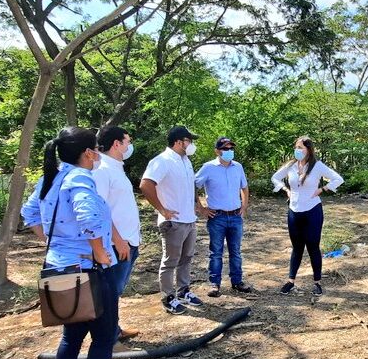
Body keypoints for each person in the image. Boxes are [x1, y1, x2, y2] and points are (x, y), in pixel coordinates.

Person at [21, 127, 129, 359]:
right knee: (104, 337)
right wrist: (99, 251)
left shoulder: (51, 178)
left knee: (71, 337)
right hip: (89, 269)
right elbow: (88, 217)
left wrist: (55, 242)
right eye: (96, 149)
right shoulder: (80, 178)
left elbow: (29, 213)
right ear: (88, 153)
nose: (98, 154)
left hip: (59, 267)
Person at [140, 126, 204, 315]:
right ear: (179, 142)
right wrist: (162, 209)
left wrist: (197, 205)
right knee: (170, 261)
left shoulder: (186, 161)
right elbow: (146, 184)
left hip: (189, 219)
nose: (192, 144)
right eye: (189, 140)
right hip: (173, 221)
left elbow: (191, 186)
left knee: (187, 258)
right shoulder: (162, 161)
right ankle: (168, 297)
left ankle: (184, 291)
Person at [271, 136, 344, 296]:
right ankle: (291, 281)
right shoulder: (290, 166)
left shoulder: (317, 166)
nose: (297, 150)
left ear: (308, 150)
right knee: (297, 247)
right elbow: (275, 177)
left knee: (313, 246)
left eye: (300, 148)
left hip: (312, 210)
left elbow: (338, 179)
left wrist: (323, 189)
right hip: (294, 210)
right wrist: (285, 189)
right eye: (296, 147)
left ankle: (317, 282)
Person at [92, 126, 141, 343]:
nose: (130, 146)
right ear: (116, 144)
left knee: (115, 292)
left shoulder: (116, 167)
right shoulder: (102, 169)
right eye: (127, 141)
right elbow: (99, 210)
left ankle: (114, 330)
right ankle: (107, 341)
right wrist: (118, 240)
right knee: (108, 294)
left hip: (128, 241)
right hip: (116, 244)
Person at [195, 137, 253, 297]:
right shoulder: (208, 168)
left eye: (231, 148)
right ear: (217, 151)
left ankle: (237, 281)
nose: (229, 151)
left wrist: (244, 206)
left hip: (235, 216)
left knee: (236, 251)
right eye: (225, 149)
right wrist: (201, 208)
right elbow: (193, 185)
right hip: (217, 217)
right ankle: (214, 284)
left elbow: (244, 187)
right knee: (216, 252)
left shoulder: (238, 167)